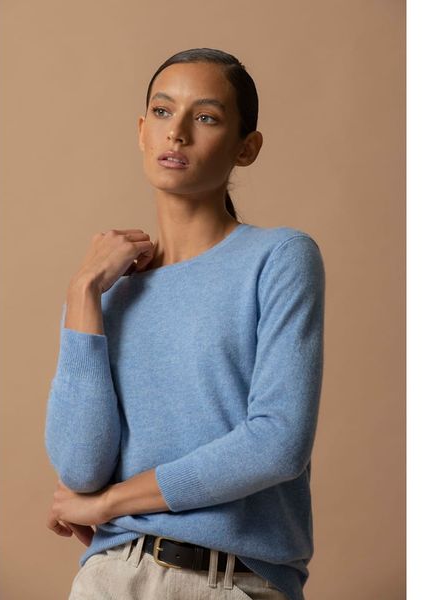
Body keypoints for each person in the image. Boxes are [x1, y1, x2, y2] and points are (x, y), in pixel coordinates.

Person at [44, 47, 325, 600]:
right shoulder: (104, 289)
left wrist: (110, 504)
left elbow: (278, 443)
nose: (177, 133)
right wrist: (82, 293)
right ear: (141, 131)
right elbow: (80, 468)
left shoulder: (279, 258)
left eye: (206, 117)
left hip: (228, 580)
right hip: (108, 579)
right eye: (162, 111)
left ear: (246, 148)